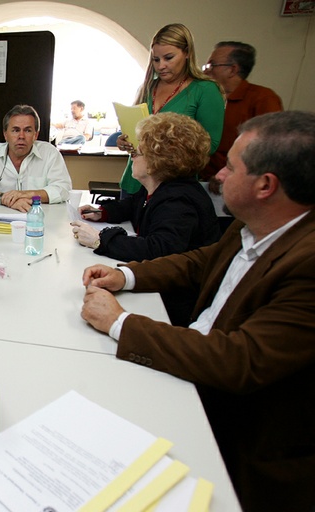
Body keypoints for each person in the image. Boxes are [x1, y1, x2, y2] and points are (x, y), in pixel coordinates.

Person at [80, 111, 315, 512]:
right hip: (195, 368)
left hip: (232, 434)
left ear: (265, 185)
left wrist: (120, 321)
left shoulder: (306, 264)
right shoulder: (253, 228)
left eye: (231, 167)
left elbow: (238, 359)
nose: (219, 176)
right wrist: (126, 276)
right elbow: (194, 262)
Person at [70, 113, 220, 326]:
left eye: (138, 152)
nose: (133, 156)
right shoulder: (161, 188)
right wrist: (103, 213)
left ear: (157, 162)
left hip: (175, 306)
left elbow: (159, 250)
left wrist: (100, 239)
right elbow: (133, 206)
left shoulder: (179, 201)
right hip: (161, 290)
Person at [117, 23, 224, 198]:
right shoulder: (147, 88)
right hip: (134, 182)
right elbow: (136, 131)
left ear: (187, 52)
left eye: (169, 58)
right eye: (156, 59)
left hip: (172, 186)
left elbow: (208, 146)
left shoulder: (205, 90)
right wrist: (125, 141)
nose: (161, 66)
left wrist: (156, 148)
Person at [201, 41, 283, 184]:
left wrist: (228, 174)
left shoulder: (262, 98)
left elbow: (270, 148)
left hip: (235, 184)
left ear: (233, 70)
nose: (206, 71)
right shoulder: (206, 97)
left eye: (212, 65)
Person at [0, 104, 72, 212]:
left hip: (39, 218)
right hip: (0, 218)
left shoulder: (50, 153)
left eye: (27, 130)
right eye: (15, 130)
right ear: (5, 135)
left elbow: (63, 189)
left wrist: (26, 194)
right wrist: (5, 199)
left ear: (35, 135)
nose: (21, 136)